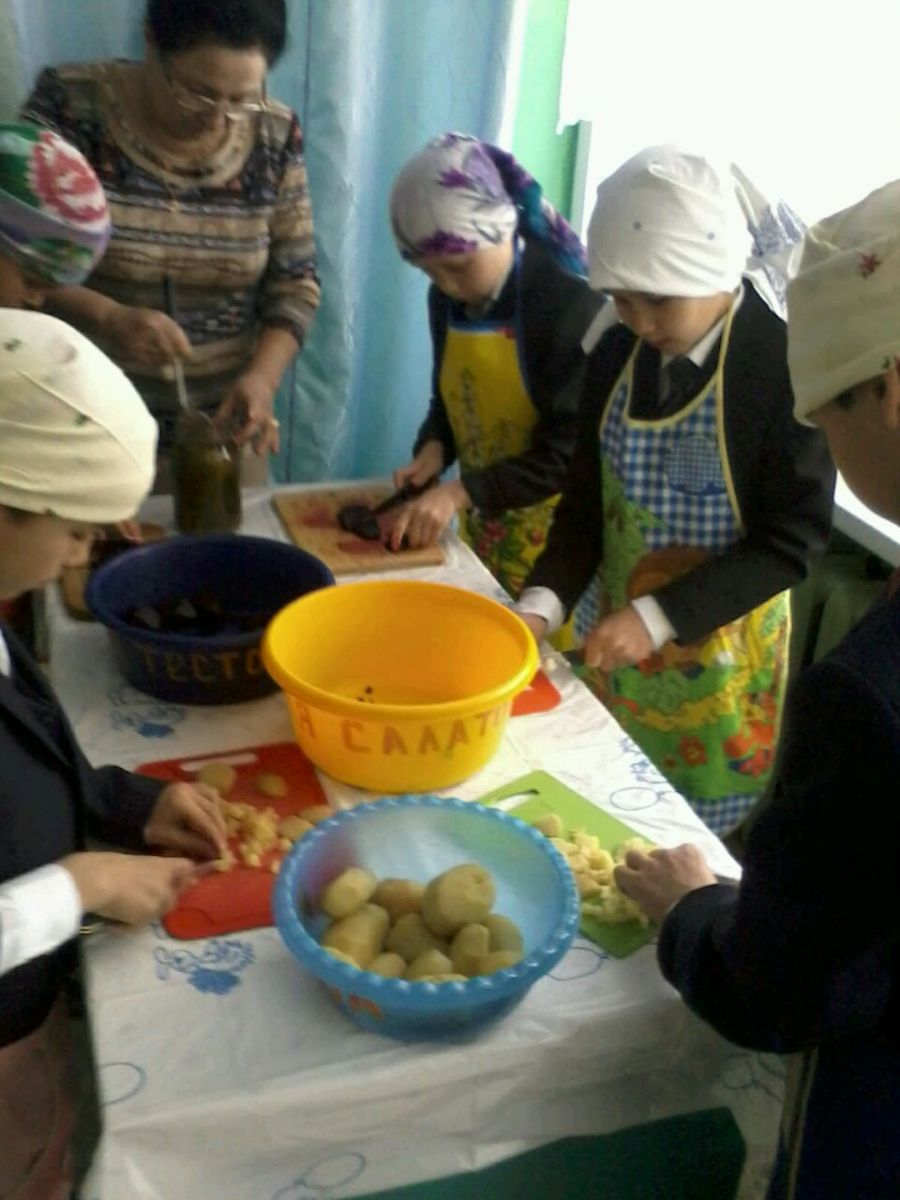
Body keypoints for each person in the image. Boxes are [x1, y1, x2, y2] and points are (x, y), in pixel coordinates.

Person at [614, 179, 900, 1200]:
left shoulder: (868, 699)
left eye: (826, 410)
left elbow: (778, 986)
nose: (819, 430)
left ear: (892, 393)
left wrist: (697, 910)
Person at [517, 146, 834, 834]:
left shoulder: (777, 368)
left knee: (684, 844)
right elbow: (584, 506)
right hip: (617, 651)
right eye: (620, 299)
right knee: (608, 820)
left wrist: (659, 616)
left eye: (657, 300)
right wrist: (539, 607)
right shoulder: (614, 351)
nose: (638, 321)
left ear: (711, 269)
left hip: (717, 670)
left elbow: (792, 540)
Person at [0, 310, 228, 1199]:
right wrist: (81, 885)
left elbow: (24, 753)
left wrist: (123, 803)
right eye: (76, 529)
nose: (84, 553)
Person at [21, 0, 319, 486]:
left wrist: (262, 379)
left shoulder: (274, 133)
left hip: (221, 435)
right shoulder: (71, 108)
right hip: (82, 435)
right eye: (198, 94)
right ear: (150, 42)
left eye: (242, 98)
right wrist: (107, 317)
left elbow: (295, 283)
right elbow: (15, 263)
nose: (219, 118)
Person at [388, 132, 604, 599]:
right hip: (487, 527)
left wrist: (458, 492)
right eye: (430, 272)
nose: (446, 285)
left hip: (559, 546)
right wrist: (434, 448)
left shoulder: (567, 306)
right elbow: (450, 399)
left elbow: (566, 455)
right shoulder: (445, 302)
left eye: (458, 266)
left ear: (500, 227)